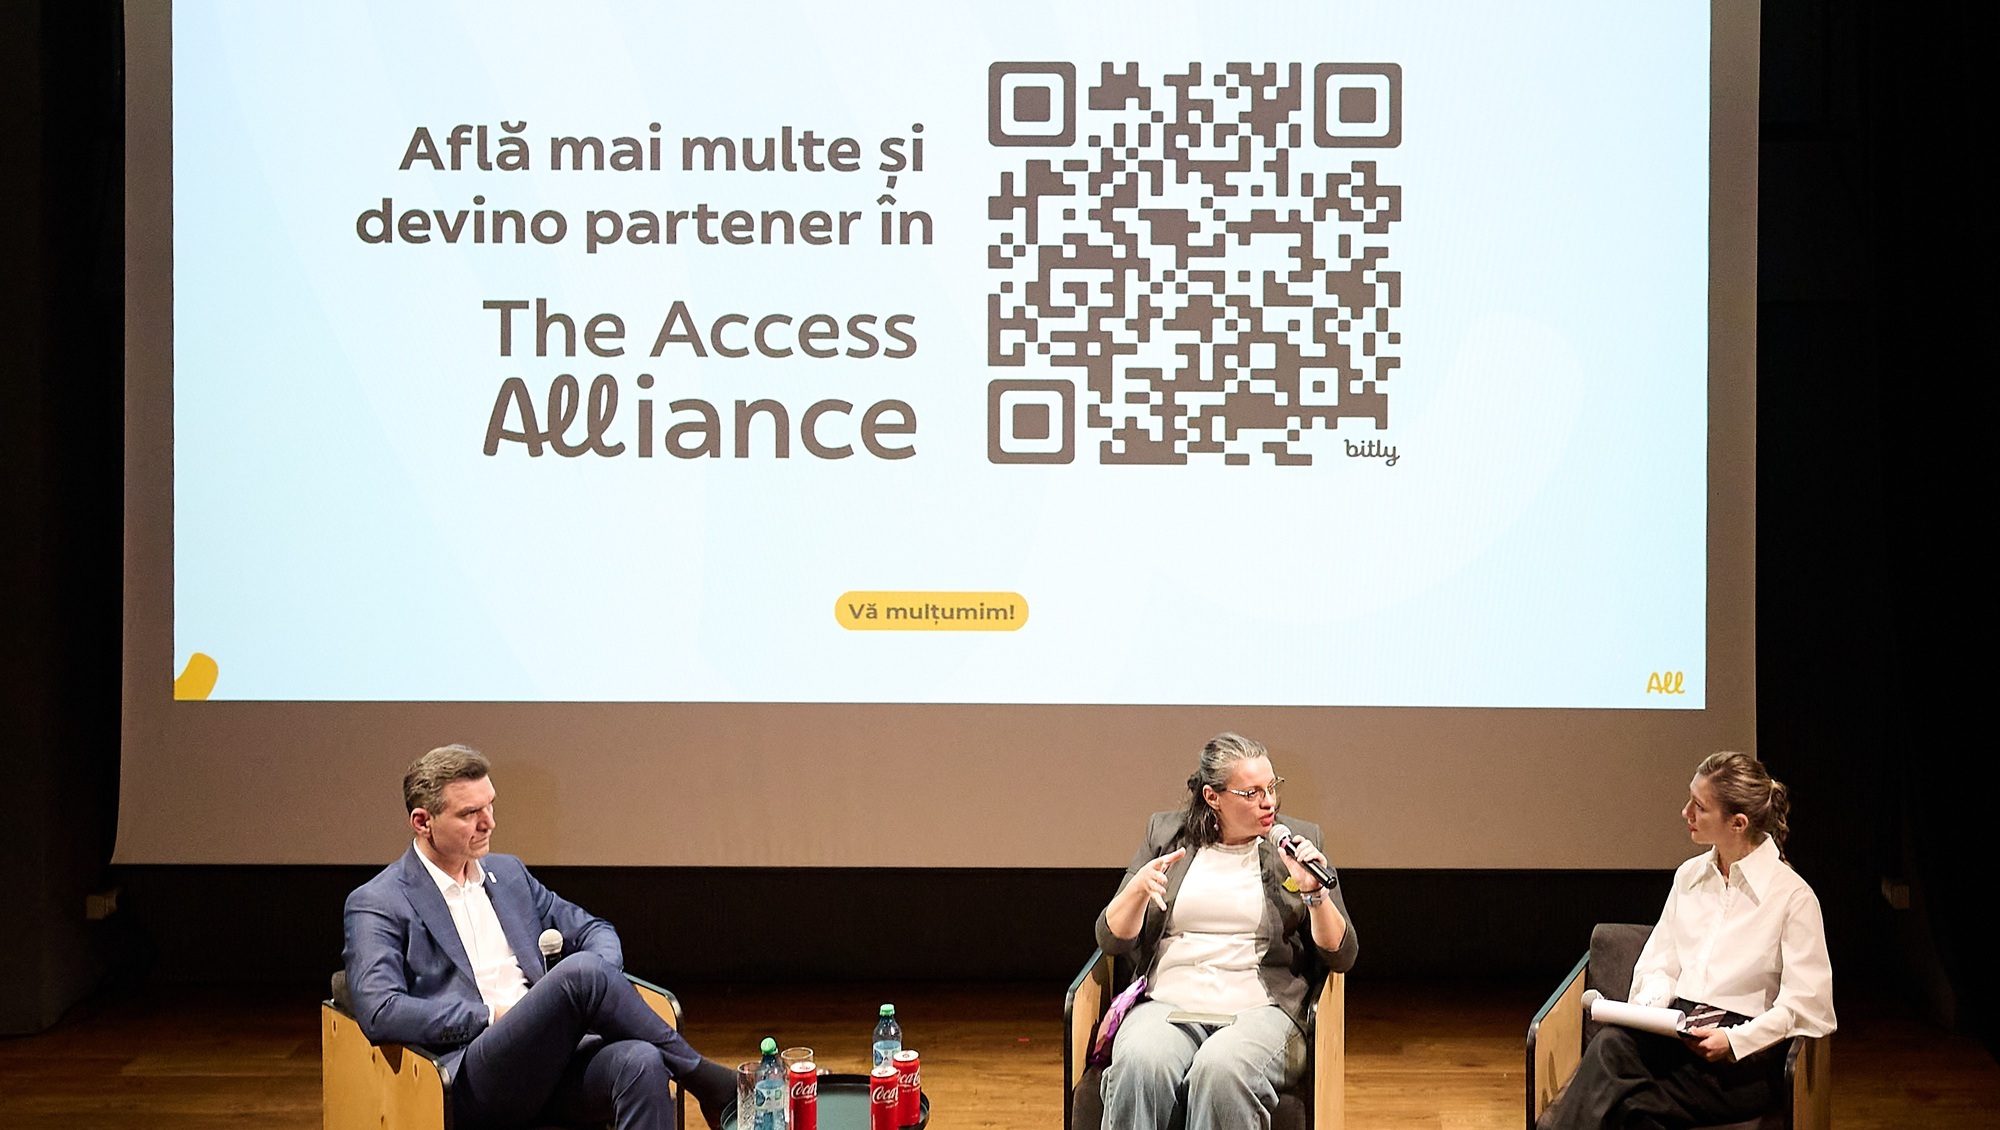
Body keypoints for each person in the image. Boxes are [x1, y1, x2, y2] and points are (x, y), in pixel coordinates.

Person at [341, 744, 737, 1130]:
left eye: (490, 805)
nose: (489, 823)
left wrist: (594, 992)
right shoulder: (378, 902)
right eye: (470, 813)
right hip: (468, 1077)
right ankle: (709, 1082)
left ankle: (712, 1085)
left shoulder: (508, 874)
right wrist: (491, 1016)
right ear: (422, 822)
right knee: (580, 975)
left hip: (549, 1061)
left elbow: (594, 930)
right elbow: (380, 1011)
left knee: (641, 1062)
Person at [1543, 751, 1837, 1128]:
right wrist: (1649, 1014)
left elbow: (1808, 1006)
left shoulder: (1792, 897)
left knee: (1618, 1085)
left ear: (1738, 823)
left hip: (1742, 1060)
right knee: (1618, 1059)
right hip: (1680, 1035)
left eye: (1699, 806)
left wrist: (1735, 1041)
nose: (1686, 813)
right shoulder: (1689, 876)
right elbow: (1660, 963)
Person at [1094, 732, 1359, 1130]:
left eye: (1272, 788)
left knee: (1221, 1071)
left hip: (1260, 1008)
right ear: (1212, 797)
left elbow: (1342, 954)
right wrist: (1136, 891)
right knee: (1140, 1063)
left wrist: (1314, 894)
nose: (1268, 802)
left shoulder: (1297, 844)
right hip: (1168, 1001)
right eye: (1251, 793)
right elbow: (1111, 939)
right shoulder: (1166, 835)